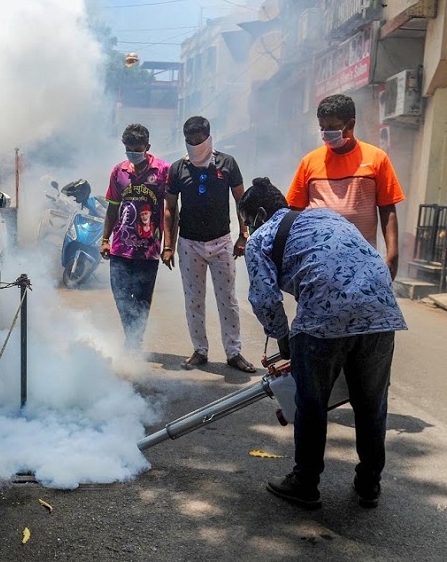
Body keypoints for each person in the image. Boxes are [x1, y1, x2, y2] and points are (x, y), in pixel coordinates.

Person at [240, 177, 407, 510]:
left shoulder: (261, 238)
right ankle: (369, 484)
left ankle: (305, 482)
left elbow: (264, 299)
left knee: (311, 404)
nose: (247, 229)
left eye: (246, 222)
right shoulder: (328, 216)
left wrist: (284, 340)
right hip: (382, 312)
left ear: (258, 214)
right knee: (371, 405)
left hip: (323, 320)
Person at [162, 116, 255, 372]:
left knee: (228, 299)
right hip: (189, 243)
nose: (194, 145)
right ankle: (200, 350)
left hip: (222, 241)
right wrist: (168, 245)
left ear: (208, 137)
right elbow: (170, 207)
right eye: (189, 141)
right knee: (194, 299)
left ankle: (234, 352)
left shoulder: (227, 163)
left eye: (198, 140)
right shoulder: (178, 168)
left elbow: (241, 201)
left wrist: (242, 235)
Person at [287, 93, 404, 279]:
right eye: (322, 127)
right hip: (318, 260)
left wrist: (392, 255)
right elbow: (294, 212)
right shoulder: (309, 162)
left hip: (362, 260)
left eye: (332, 127)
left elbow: (387, 209)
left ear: (350, 124)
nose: (325, 133)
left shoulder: (376, 158)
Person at [99, 124, 170, 351]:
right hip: (121, 248)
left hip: (148, 250)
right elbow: (112, 208)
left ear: (147, 147)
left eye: (137, 149)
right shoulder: (118, 172)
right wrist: (105, 239)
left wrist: (169, 245)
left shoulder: (163, 171)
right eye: (128, 149)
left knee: (141, 299)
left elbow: (171, 211)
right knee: (120, 296)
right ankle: (131, 336)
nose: (133, 153)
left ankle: (134, 340)